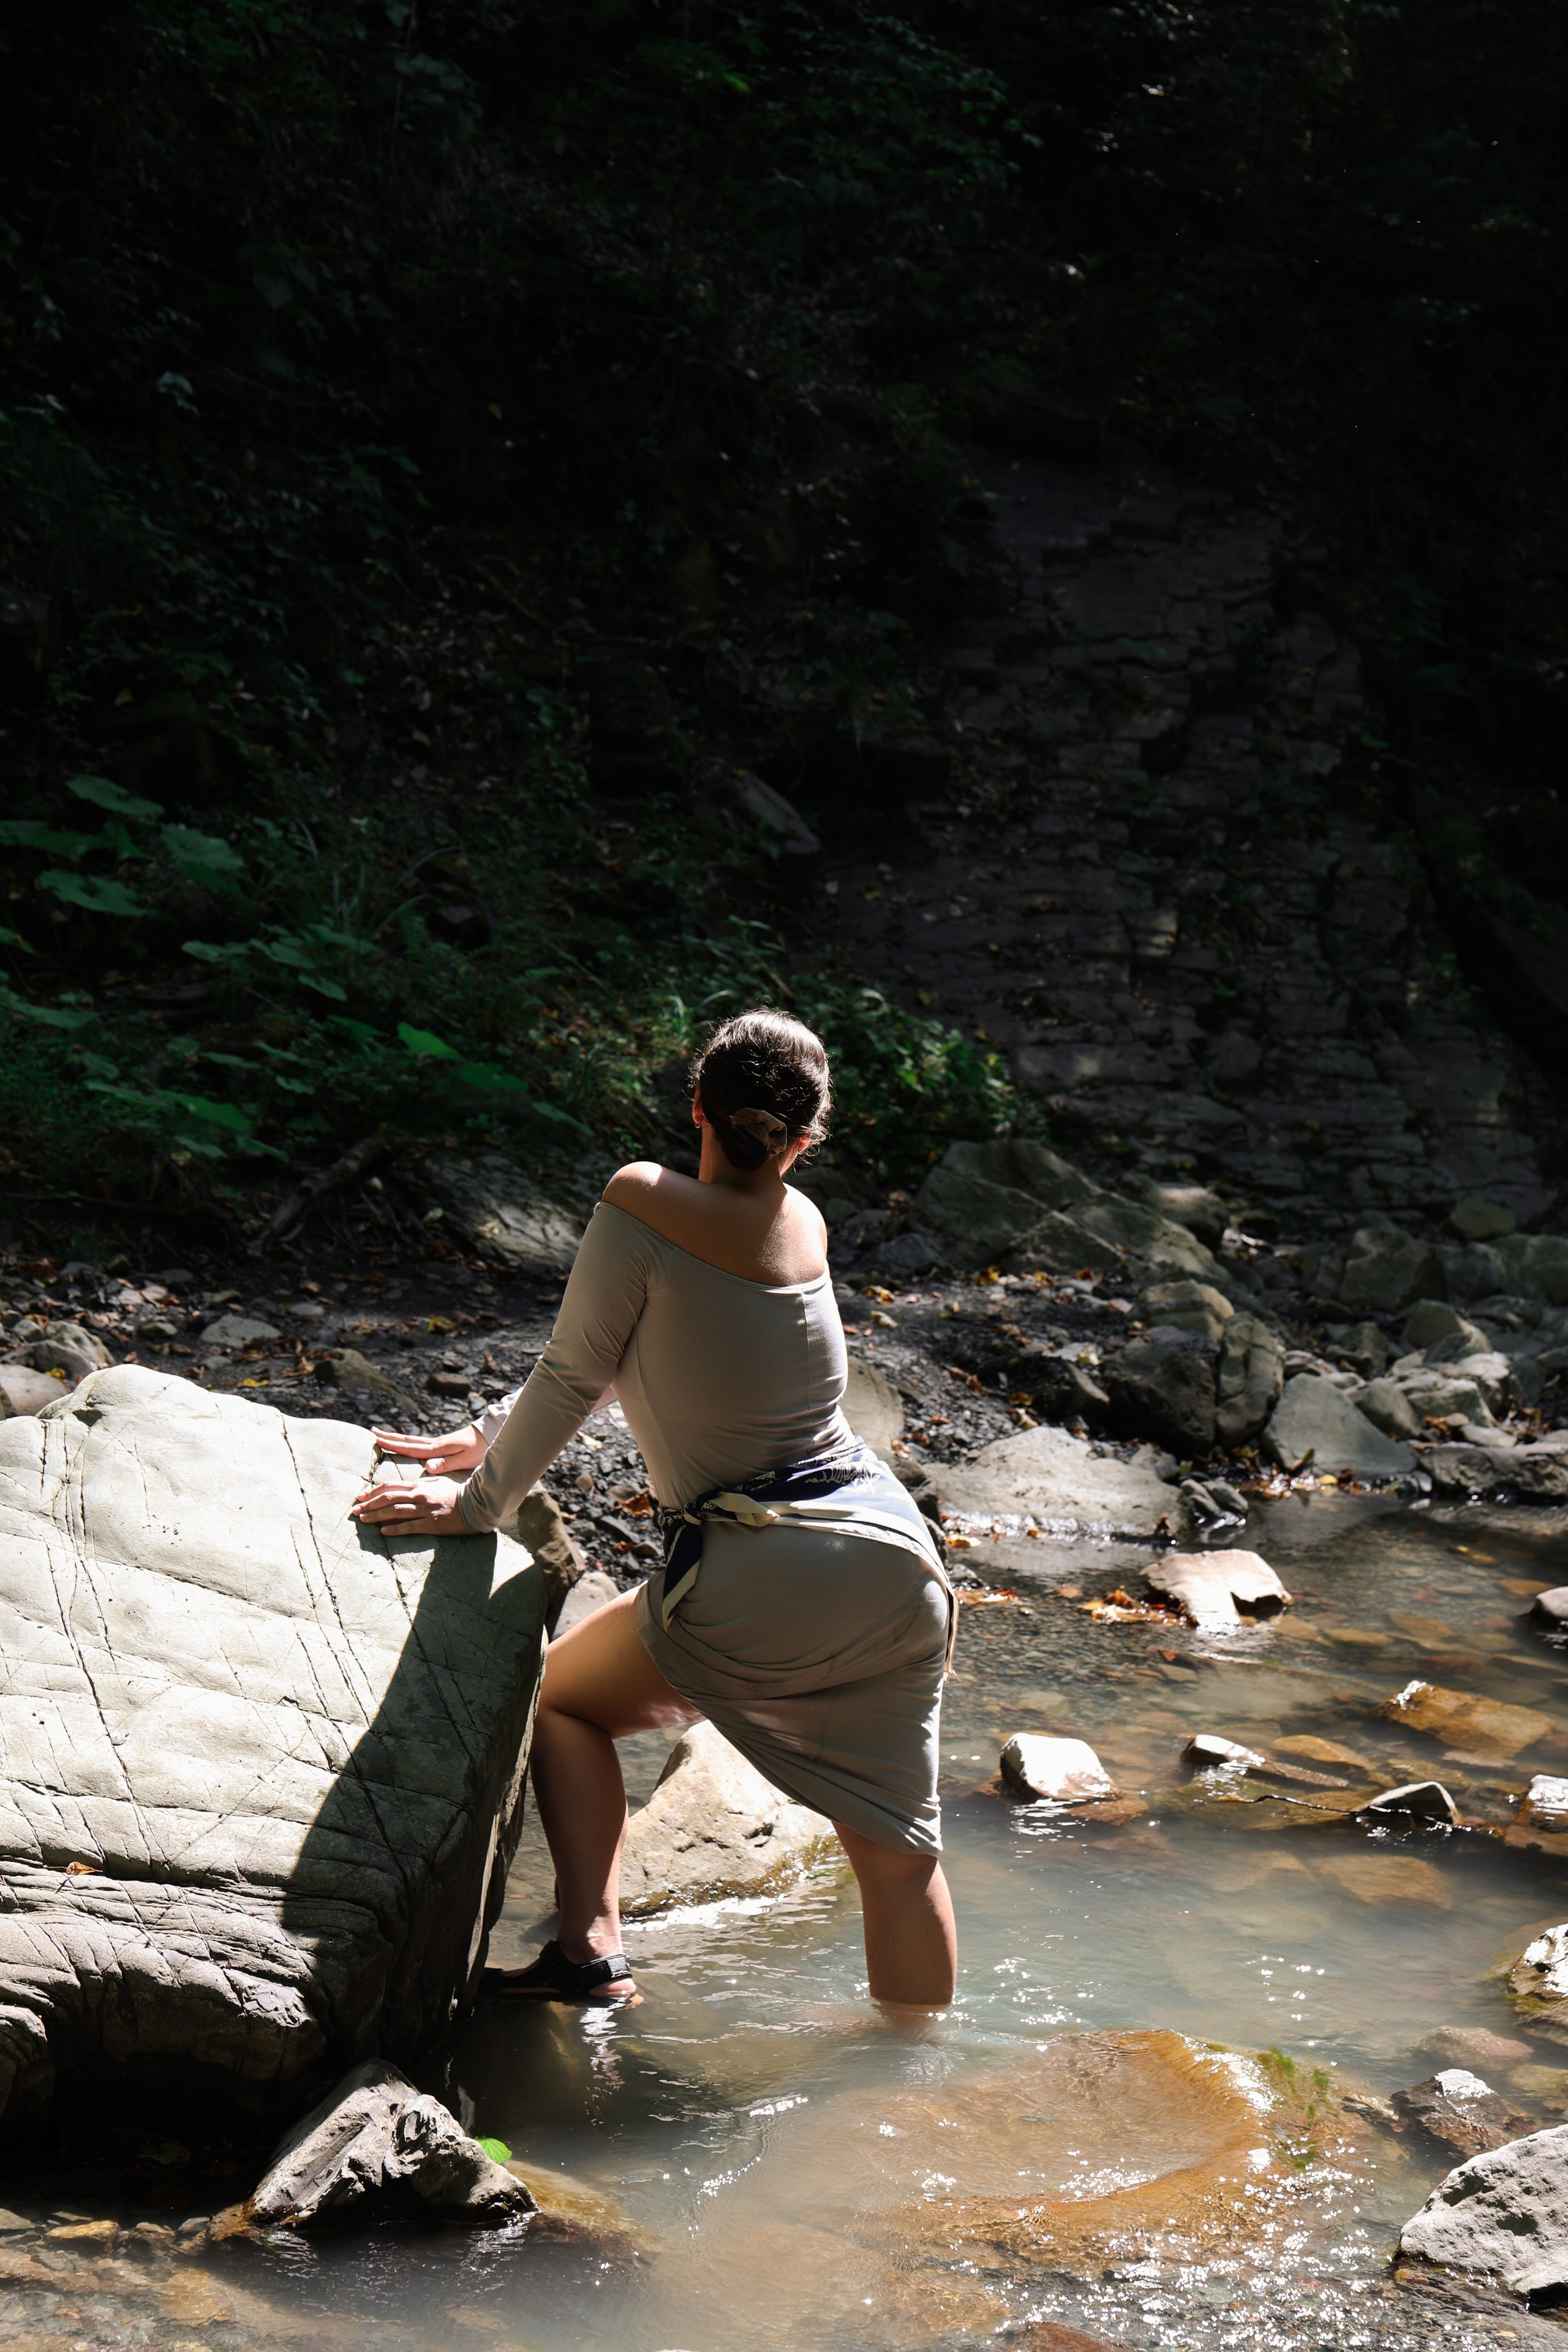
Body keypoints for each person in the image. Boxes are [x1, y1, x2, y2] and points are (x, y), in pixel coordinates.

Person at [350, 1008, 957, 2010]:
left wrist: (478, 1504)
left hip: (769, 1563)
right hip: (897, 1562)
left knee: (564, 1700)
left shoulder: (643, 1198)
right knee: (898, 1859)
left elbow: (582, 1358)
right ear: (805, 1141)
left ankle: (589, 1953)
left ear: (697, 1111)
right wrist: (493, 1431)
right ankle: (918, 2096)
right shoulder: (804, 1222)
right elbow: (670, 1347)